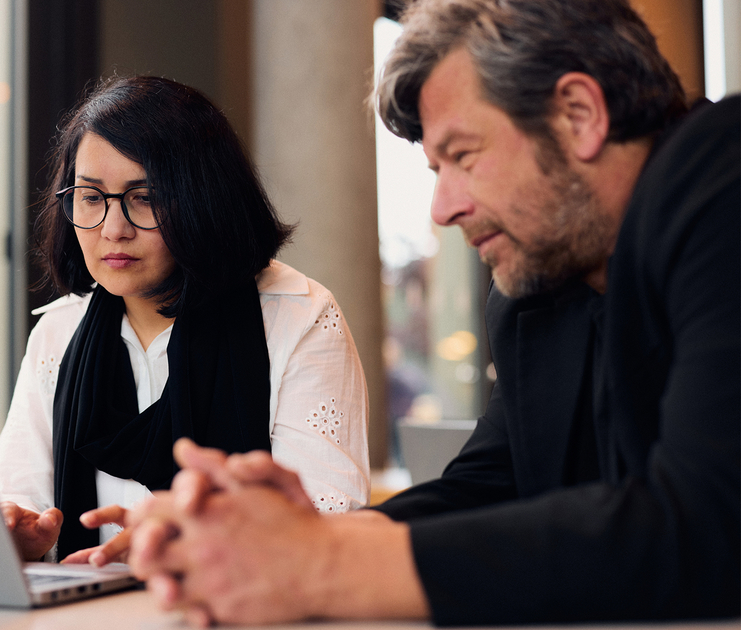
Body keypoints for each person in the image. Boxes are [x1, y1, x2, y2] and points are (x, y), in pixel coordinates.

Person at [109, 0, 741, 626]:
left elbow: (709, 525)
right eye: (436, 170)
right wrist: (293, 536)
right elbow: (492, 485)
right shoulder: (538, 294)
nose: (442, 208)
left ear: (579, 115)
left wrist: (320, 563)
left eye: (462, 156)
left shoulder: (722, 175)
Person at [0, 76, 370, 564]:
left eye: (144, 197)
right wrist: (21, 535)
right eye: (91, 197)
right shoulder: (59, 332)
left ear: (203, 199)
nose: (113, 229)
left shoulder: (297, 316)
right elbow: (20, 497)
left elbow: (326, 524)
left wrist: (189, 544)